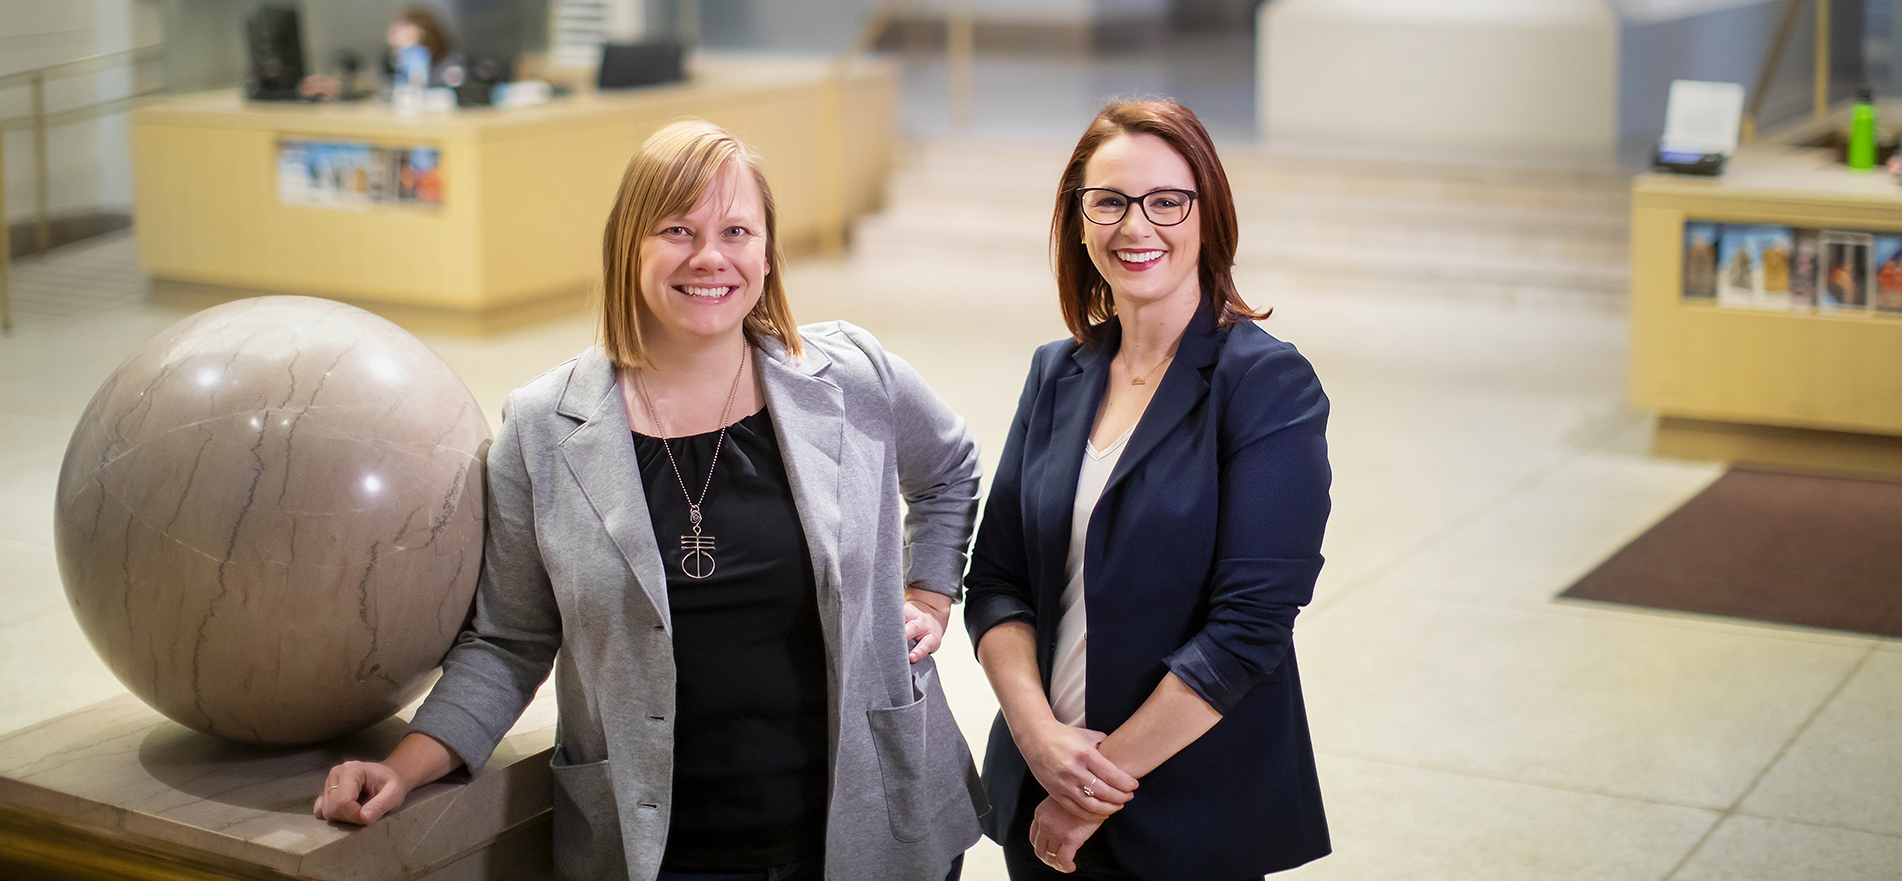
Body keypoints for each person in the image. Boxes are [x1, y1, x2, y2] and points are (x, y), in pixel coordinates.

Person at [314, 119, 988, 881]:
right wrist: (405, 764)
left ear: (768, 252)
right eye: (678, 229)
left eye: (738, 229)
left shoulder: (853, 375)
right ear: (628, 244)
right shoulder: (543, 427)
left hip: (871, 823)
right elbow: (510, 640)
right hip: (667, 849)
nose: (711, 256)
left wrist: (929, 591)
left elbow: (949, 467)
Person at [964, 99, 1332, 880]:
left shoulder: (1265, 382)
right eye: (1110, 201)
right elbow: (996, 582)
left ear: (1210, 215)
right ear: (1080, 219)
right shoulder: (1057, 373)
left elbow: (1249, 627)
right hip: (1039, 794)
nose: (1138, 227)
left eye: (1167, 201)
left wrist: (1090, 791)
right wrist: (1038, 740)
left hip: (1187, 813)